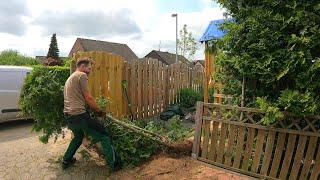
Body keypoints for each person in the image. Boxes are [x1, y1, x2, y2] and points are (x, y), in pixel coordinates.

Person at [62, 57, 121, 171]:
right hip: (79, 116)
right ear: (82, 66)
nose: (90, 71)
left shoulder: (70, 78)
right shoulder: (81, 75)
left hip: (68, 116)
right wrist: (99, 111)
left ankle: (66, 161)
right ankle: (115, 165)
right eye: (89, 68)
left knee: (78, 137)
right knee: (104, 135)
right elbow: (88, 97)